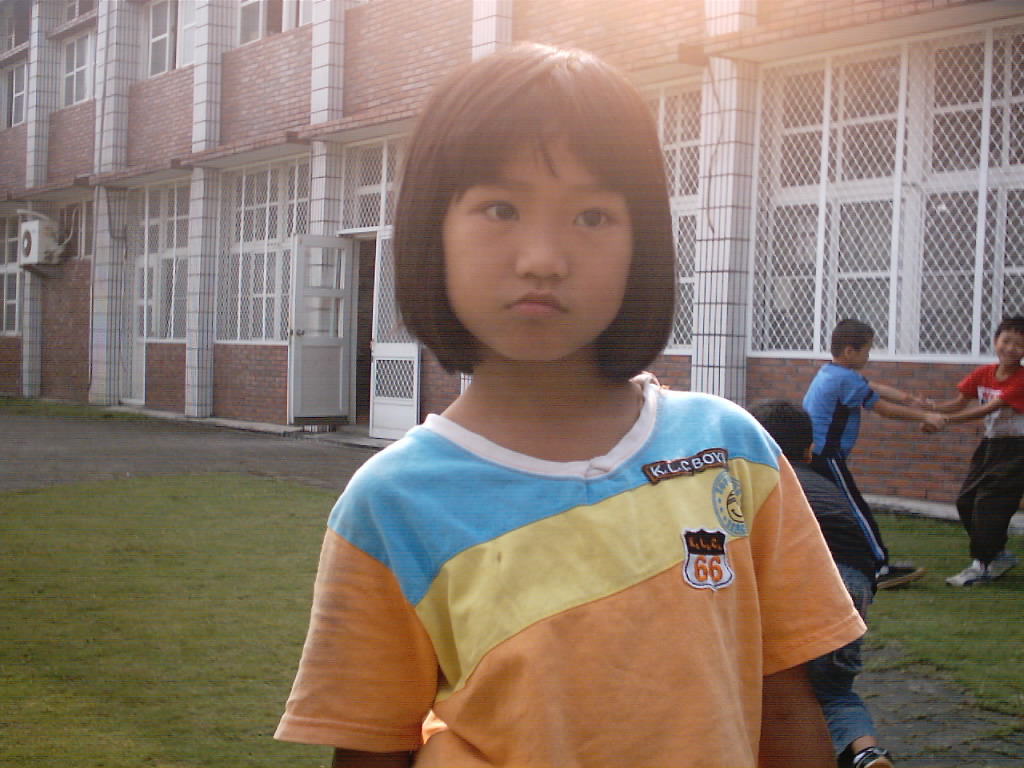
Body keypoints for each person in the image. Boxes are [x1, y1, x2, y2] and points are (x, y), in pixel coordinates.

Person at [275, 43, 864, 767]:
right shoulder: (391, 504)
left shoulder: (733, 449)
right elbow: (372, 750)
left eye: (591, 215)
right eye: (501, 208)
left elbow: (789, 706)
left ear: (641, 243)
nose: (544, 259)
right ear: (433, 232)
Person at [749, 400, 895, 768]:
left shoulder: (754, 481)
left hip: (797, 580)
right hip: (850, 585)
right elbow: (871, 548)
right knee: (833, 689)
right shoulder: (828, 485)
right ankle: (866, 752)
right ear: (808, 450)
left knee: (774, 685)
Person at [803, 319, 944, 589]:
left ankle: (831, 562)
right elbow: (883, 409)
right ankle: (880, 567)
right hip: (826, 456)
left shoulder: (833, 371)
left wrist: (909, 399)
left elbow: (874, 387)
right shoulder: (844, 379)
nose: (869, 356)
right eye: (867, 350)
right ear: (850, 352)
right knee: (856, 511)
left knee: (828, 511)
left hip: (815, 454)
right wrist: (925, 416)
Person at [932, 315, 1024, 586]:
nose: (1010, 348)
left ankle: (981, 565)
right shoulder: (984, 373)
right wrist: (927, 408)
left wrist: (943, 421)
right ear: (995, 341)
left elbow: (987, 409)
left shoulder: (1021, 379)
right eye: (1006, 341)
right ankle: (997, 555)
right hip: (990, 445)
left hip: (1017, 450)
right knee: (966, 501)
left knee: (989, 504)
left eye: (1019, 345)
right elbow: (959, 402)